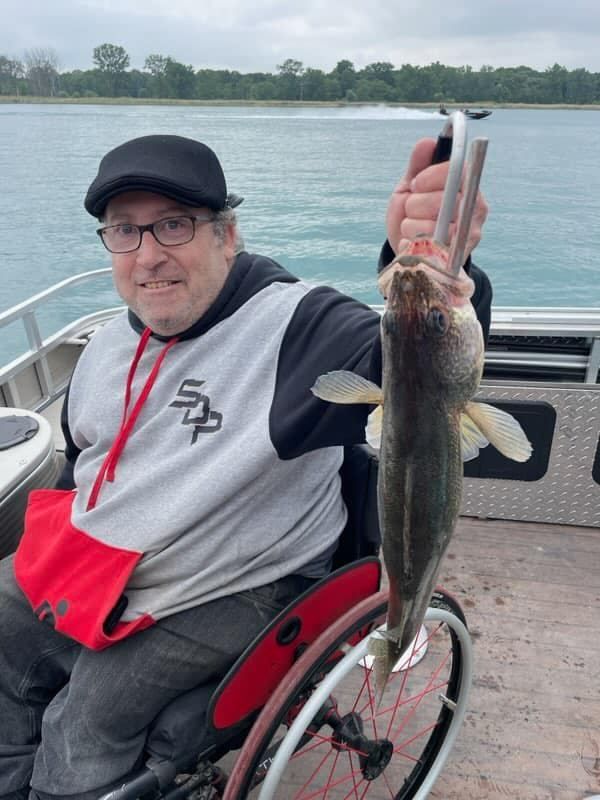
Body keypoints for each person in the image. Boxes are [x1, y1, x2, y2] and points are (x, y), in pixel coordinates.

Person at [0, 133, 490, 800]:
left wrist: (436, 272)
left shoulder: (296, 326)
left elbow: (414, 372)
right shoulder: (112, 339)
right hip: (106, 553)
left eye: (174, 225)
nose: (148, 256)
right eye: (124, 230)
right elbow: (82, 461)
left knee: (86, 716)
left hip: (235, 578)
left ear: (227, 236)